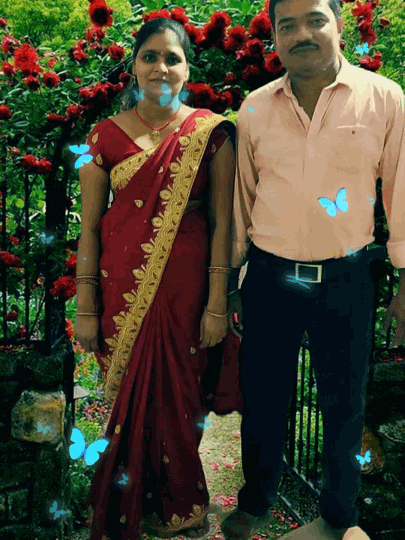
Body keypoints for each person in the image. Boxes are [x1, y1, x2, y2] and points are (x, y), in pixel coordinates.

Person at [221, 0, 405, 538]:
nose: (302, 33)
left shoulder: (384, 98)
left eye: (315, 19)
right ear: (275, 37)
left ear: (339, 25)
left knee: (345, 403)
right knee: (263, 397)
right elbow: (242, 202)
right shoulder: (255, 108)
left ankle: (340, 514)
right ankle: (256, 500)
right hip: (270, 277)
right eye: (288, 25)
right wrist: (232, 281)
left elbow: (400, 194)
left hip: (347, 279)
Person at [73, 16, 245, 540]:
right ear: (133, 66)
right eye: (150, 56)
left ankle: (182, 504)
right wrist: (86, 308)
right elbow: (89, 228)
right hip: (121, 289)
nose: (161, 67)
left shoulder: (211, 133)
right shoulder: (103, 136)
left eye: (173, 58)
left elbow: (222, 223)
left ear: (188, 69)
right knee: (135, 396)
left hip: (189, 291)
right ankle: (133, 501)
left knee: (180, 394)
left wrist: (217, 304)